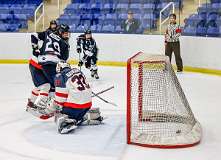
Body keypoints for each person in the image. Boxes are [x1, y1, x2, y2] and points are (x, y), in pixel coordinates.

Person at [34, 61, 103, 134]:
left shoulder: (60, 76)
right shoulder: (78, 71)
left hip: (75, 107)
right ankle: (88, 116)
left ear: (58, 68)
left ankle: (66, 123)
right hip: (87, 105)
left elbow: (60, 100)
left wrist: (48, 110)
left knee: (58, 112)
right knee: (77, 109)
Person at [26, 24, 70, 116]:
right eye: (65, 33)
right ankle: (44, 106)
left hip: (37, 62)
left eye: (67, 34)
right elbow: (63, 60)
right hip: (40, 65)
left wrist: (35, 48)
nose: (67, 36)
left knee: (44, 85)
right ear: (60, 32)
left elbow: (34, 35)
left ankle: (31, 103)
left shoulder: (48, 33)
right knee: (48, 86)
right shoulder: (64, 44)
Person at [26, 20, 58, 111]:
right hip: (37, 64)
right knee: (46, 86)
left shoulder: (59, 41)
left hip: (41, 65)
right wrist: (35, 48)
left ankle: (31, 102)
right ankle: (39, 106)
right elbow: (34, 35)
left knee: (40, 86)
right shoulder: (48, 34)